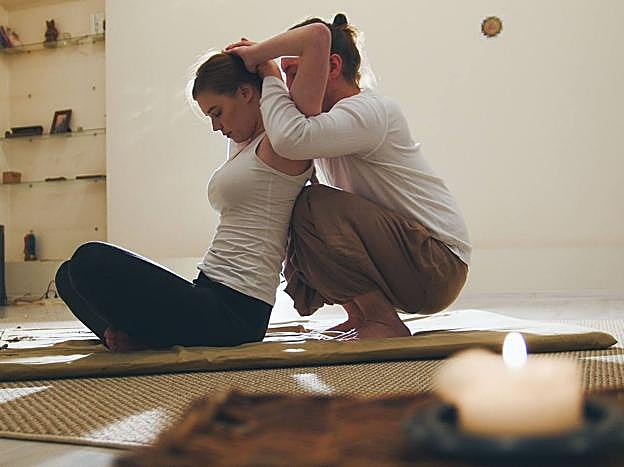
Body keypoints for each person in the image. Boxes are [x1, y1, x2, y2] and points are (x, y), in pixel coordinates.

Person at [54, 23, 333, 352]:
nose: (216, 126)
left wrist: (264, 61)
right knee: (66, 275)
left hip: (238, 312)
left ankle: (136, 335)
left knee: (89, 260)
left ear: (246, 94)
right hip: (207, 289)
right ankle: (127, 336)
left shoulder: (284, 144)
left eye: (217, 112)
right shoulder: (244, 145)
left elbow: (317, 37)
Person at [227, 13, 471, 339]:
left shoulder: (370, 110)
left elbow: (290, 139)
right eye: (285, 75)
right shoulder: (324, 122)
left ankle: (382, 320)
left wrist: (267, 69)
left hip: (439, 263)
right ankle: (360, 316)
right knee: (296, 205)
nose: (289, 85)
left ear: (331, 67)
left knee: (312, 203)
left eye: (293, 72)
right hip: (409, 263)